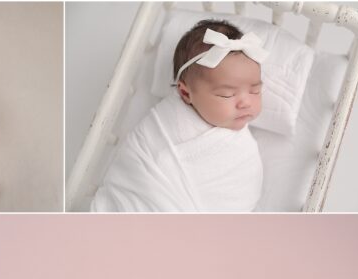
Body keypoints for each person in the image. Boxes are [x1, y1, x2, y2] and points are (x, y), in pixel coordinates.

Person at [91, 21, 266, 212]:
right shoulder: (166, 120)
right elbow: (136, 167)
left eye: (255, 91)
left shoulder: (242, 149)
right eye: (226, 94)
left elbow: (240, 197)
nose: (245, 103)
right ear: (185, 93)